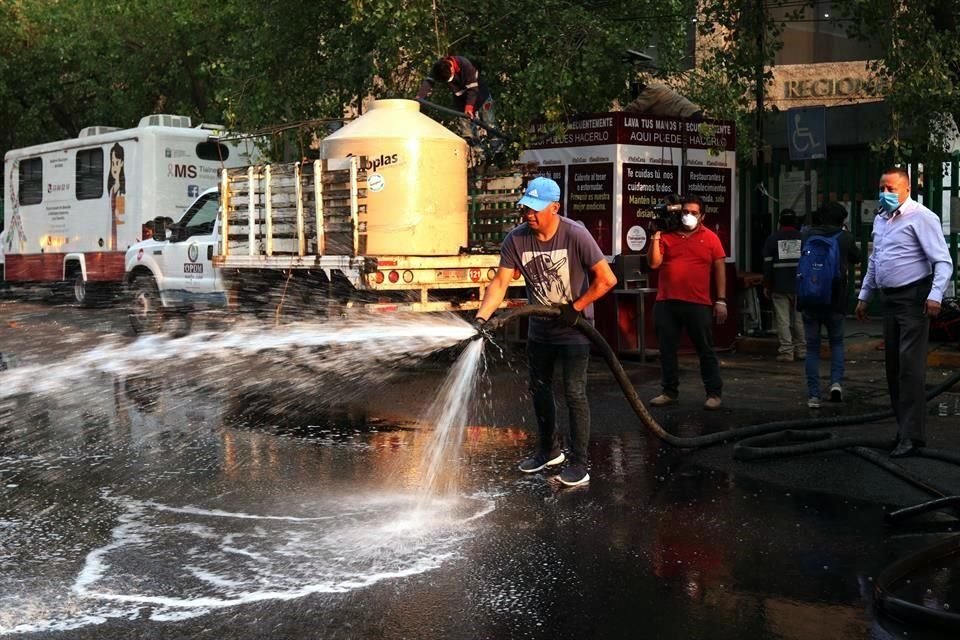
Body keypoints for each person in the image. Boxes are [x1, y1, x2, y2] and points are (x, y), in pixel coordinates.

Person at [473, 176, 617, 487]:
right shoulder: (516, 239)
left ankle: (580, 463)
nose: (530, 214)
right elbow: (500, 283)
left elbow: (607, 279)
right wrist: (482, 319)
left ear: (555, 207)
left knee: (574, 393)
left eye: (536, 209)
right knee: (539, 390)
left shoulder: (576, 234)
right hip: (540, 331)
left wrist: (576, 306)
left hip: (575, 330)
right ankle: (548, 451)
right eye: (526, 208)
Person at [856, 167, 953, 457]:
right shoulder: (881, 219)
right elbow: (876, 259)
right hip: (889, 300)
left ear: (907, 189)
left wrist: (935, 295)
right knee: (894, 369)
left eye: (892, 189)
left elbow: (943, 261)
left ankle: (912, 437)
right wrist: (864, 295)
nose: (885, 194)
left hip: (913, 299)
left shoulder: (922, 217)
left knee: (910, 370)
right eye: (882, 188)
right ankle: (903, 431)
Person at [647, 195, 727, 410]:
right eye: (685, 212)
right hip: (667, 301)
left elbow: (719, 268)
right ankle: (669, 391)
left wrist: (721, 300)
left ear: (702, 216)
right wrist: (655, 235)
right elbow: (654, 264)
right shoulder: (666, 236)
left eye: (693, 213)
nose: (688, 216)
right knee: (667, 350)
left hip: (698, 303)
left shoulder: (710, 238)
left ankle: (713, 393)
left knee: (705, 350)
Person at [798, 202, 861, 409]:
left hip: (809, 297)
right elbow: (857, 258)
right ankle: (835, 383)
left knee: (813, 347)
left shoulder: (807, 235)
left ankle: (813, 395)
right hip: (836, 299)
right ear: (842, 220)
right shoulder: (844, 237)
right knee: (837, 343)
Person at [762, 208, 805, 362]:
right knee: (799, 319)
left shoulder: (773, 239)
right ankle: (801, 350)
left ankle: (787, 352)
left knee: (783, 319)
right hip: (800, 286)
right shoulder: (802, 238)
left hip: (779, 285)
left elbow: (767, 266)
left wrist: (767, 284)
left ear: (780, 222)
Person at [416, 55, 496, 130]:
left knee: (490, 124)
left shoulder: (465, 64)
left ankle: (496, 142)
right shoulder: (438, 68)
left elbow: (472, 89)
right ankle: (472, 142)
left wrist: (469, 107)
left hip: (480, 95)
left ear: (451, 68)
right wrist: (419, 98)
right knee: (467, 129)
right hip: (461, 100)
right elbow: (429, 82)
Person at [108, 143, 126, 250]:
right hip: (113, 239)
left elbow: (120, 217)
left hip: (118, 240)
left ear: (122, 163)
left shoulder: (121, 192)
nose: (114, 167)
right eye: (112, 163)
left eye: (117, 162)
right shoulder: (112, 190)